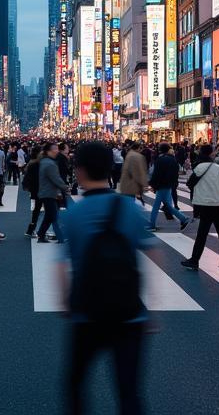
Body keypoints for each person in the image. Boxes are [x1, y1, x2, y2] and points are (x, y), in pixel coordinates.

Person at [58, 142, 152, 415]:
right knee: (129, 390)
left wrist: (66, 304)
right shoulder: (131, 209)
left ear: (80, 171)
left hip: (87, 313)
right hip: (129, 313)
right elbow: (153, 253)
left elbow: (61, 265)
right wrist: (152, 307)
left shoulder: (74, 213)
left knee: (75, 383)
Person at [180, 144, 219, 271]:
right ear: (210, 154)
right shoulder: (217, 168)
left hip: (206, 204)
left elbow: (190, 183)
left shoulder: (199, 167)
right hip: (218, 204)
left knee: (202, 234)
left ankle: (194, 260)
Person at [147, 143, 190, 231]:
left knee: (158, 206)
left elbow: (157, 174)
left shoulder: (160, 160)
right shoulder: (172, 159)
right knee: (166, 205)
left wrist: (152, 184)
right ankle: (183, 219)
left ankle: (152, 225)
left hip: (161, 185)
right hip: (169, 184)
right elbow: (175, 173)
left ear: (160, 150)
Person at [37, 142, 69, 243]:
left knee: (50, 216)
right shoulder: (50, 164)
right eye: (54, 149)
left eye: (57, 148)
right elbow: (56, 179)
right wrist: (65, 187)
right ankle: (60, 236)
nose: (56, 151)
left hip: (47, 192)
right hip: (48, 192)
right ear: (48, 151)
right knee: (53, 215)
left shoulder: (45, 161)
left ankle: (41, 234)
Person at [23, 150, 45, 237]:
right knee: (48, 211)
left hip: (36, 190)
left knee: (37, 210)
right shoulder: (37, 165)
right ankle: (39, 231)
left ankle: (31, 230)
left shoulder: (34, 164)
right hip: (40, 190)